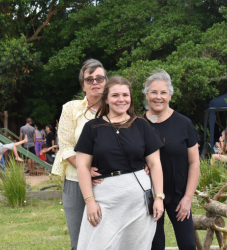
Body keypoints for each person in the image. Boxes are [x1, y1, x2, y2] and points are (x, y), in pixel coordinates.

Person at [75, 76, 164, 249]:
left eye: (125, 95)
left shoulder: (141, 125)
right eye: (115, 95)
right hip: (105, 200)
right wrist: (90, 201)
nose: (121, 99)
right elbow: (82, 166)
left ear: (130, 98)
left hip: (138, 201)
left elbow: (155, 164)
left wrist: (159, 197)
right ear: (106, 99)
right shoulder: (92, 128)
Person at [51, 59, 107, 250]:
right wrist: (86, 169)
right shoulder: (71, 108)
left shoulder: (117, 106)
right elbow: (65, 146)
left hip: (107, 181)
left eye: (99, 78)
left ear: (106, 81)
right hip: (75, 181)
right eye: (89, 79)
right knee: (79, 241)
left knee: (106, 238)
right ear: (83, 85)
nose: (95, 82)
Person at [141, 70, 200, 250]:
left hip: (179, 194)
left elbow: (194, 162)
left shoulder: (184, 124)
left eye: (163, 92)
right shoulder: (137, 124)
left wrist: (188, 198)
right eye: (154, 92)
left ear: (170, 95)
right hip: (148, 196)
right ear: (146, 94)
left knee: (188, 244)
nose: (158, 97)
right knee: (154, 245)